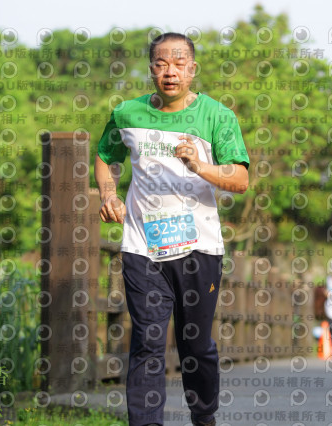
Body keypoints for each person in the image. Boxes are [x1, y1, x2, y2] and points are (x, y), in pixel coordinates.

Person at [94, 32, 250, 426]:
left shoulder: (217, 116)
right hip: (142, 246)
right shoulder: (126, 113)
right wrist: (109, 193)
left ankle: (204, 414)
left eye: (179, 64)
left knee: (195, 344)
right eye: (162, 64)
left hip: (199, 248)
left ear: (192, 70)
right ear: (151, 70)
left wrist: (200, 166)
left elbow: (241, 178)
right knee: (147, 341)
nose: (170, 72)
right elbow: (104, 156)